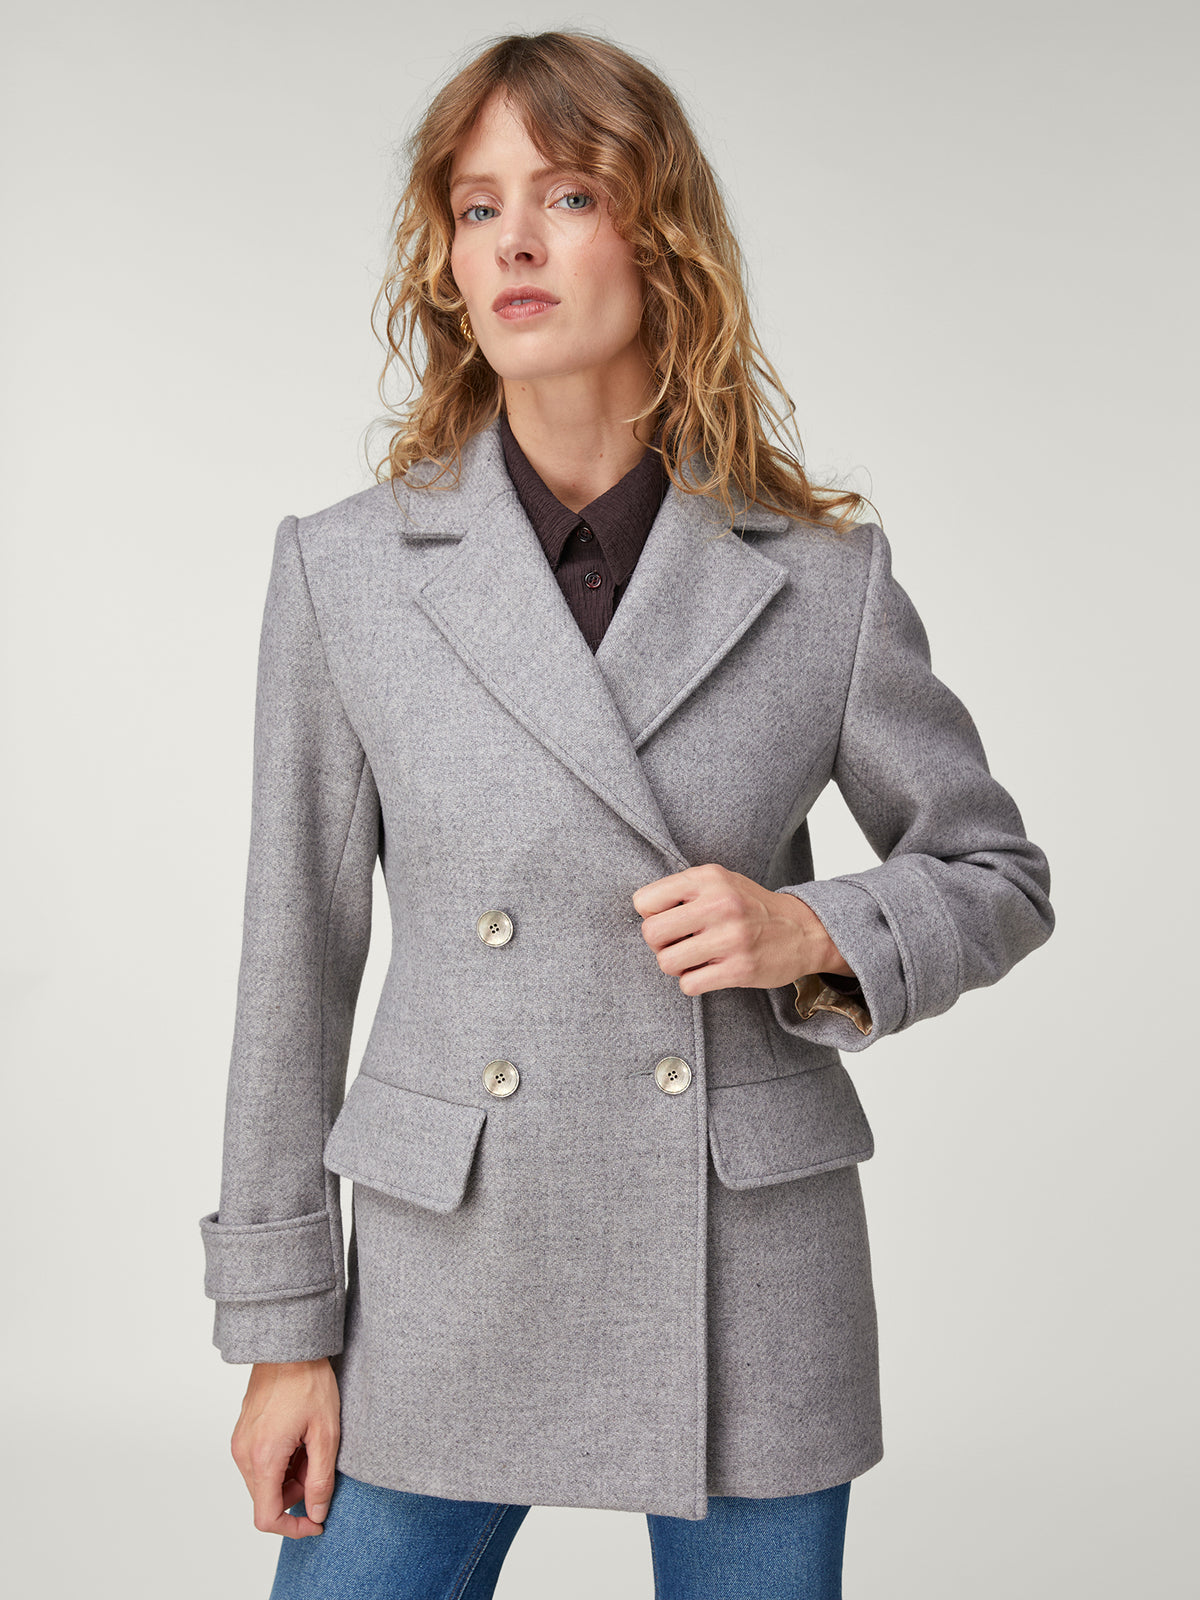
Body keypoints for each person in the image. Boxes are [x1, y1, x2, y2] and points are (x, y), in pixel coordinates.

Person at [198, 29, 1055, 1600]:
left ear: (661, 239)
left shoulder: (818, 579)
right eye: (477, 207)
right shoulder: (348, 571)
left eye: (569, 195)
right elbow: (292, 969)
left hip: (744, 1264)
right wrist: (281, 1334)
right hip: (449, 1263)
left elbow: (994, 871)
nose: (513, 241)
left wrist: (809, 930)